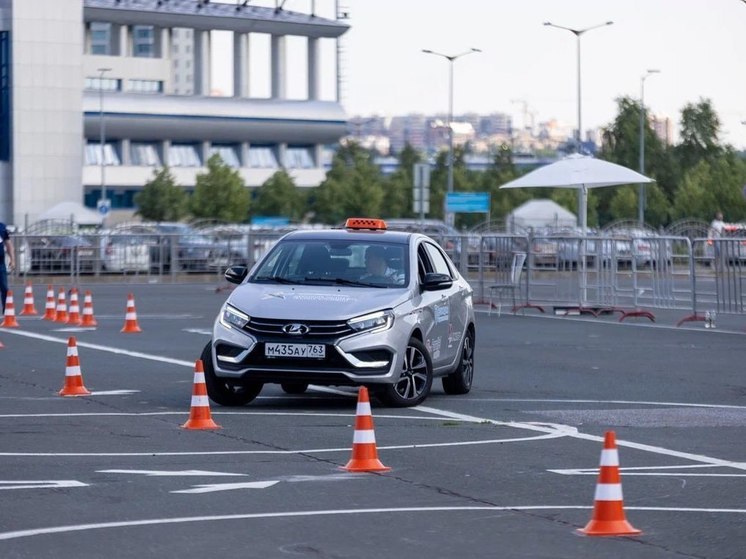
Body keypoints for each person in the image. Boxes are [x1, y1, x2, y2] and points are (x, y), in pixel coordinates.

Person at [0, 221, 15, 313]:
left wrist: (12, 259)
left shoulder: (1, 227)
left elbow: (8, 244)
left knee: (4, 287)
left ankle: (6, 311)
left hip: (0, 263)